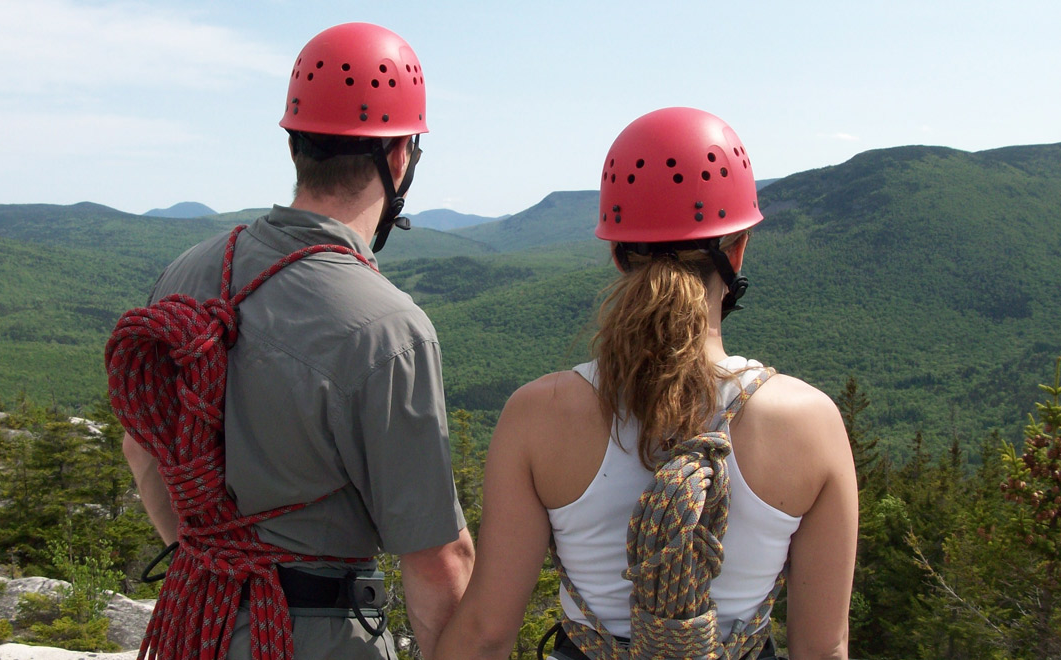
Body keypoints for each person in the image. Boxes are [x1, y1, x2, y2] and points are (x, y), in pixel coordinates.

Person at [435, 107, 857, 660]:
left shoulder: (536, 416)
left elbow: (486, 632)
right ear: (737, 250)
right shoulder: (811, 423)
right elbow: (822, 649)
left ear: (616, 252)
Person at [108, 22, 474, 660]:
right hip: (315, 635)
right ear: (397, 159)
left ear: (295, 146)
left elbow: (143, 451)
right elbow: (438, 559)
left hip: (197, 621)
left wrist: (208, 555)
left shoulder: (186, 273)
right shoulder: (389, 328)